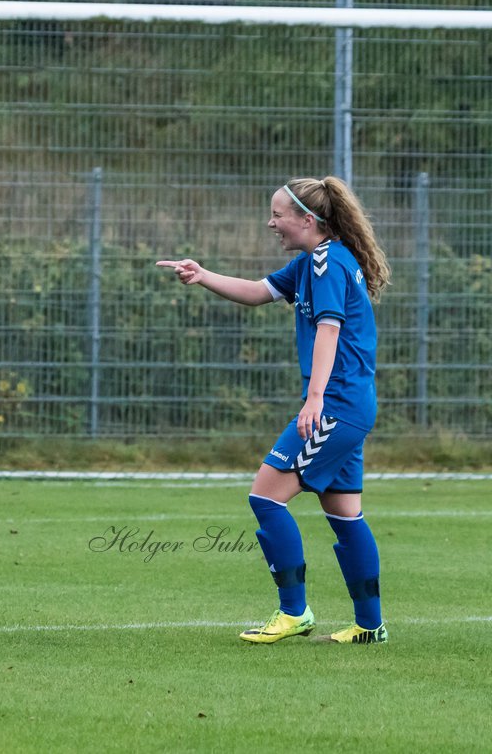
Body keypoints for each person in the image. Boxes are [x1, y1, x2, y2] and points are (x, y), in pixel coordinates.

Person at [157, 175, 391, 645]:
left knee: (265, 497)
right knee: (345, 515)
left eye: (278, 215)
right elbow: (256, 291)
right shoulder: (312, 263)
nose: (271, 223)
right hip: (351, 403)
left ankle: (295, 612)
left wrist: (315, 399)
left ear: (309, 220)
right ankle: (370, 626)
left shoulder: (326, 263)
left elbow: (329, 331)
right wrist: (202, 276)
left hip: (338, 404)